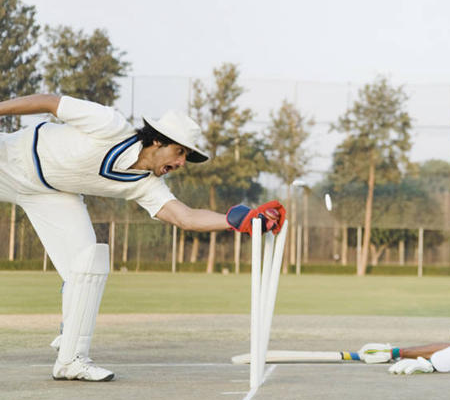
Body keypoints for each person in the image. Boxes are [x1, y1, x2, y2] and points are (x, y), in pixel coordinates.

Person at [0, 94, 285, 382]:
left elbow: (183, 217)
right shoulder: (109, 125)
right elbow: (50, 102)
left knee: (88, 264)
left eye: (186, 157)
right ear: (158, 141)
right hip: (11, 158)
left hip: (49, 193)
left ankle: (71, 356)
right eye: (180, 152)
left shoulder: (148, 185)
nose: (182, 162)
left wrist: (236, 220)